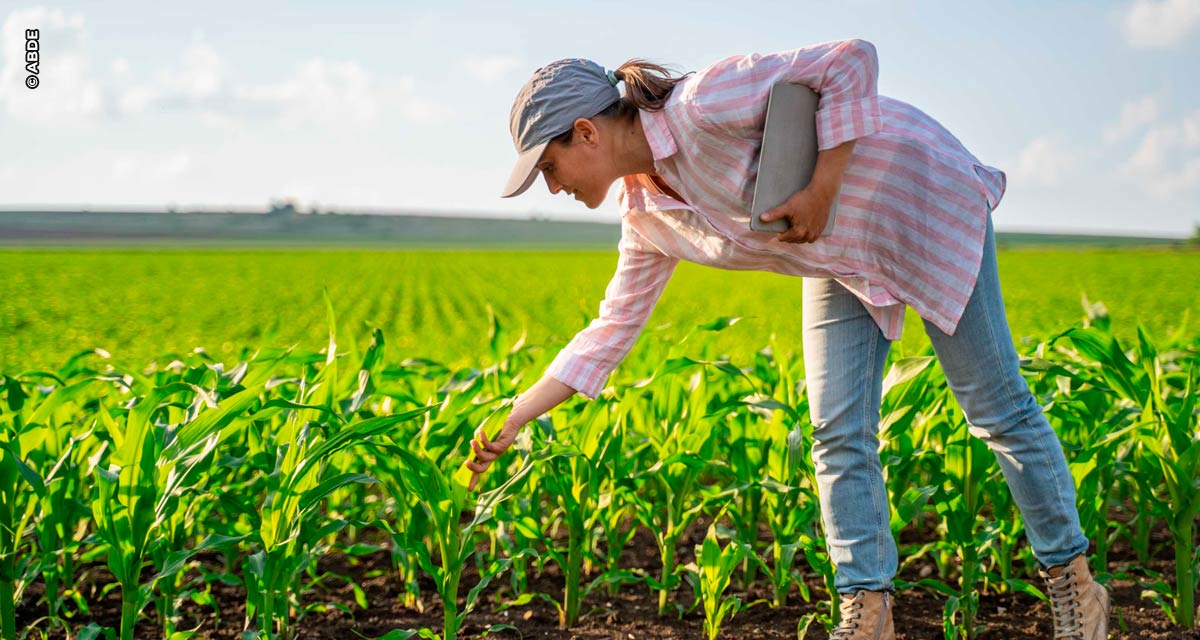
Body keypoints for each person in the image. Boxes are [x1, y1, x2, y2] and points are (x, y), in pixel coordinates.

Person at [467, 39, 1110, 640]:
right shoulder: (647, 217)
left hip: (915, 201)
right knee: (836, 430)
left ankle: (1075, 585)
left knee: (994, 407)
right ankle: (868, 612)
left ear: (586, 133)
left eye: (549, 166)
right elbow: (611, 328)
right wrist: (518, 414)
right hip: (839, 255)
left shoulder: (701, 104)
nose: (552, 186)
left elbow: (850, 60)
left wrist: (824, 186)